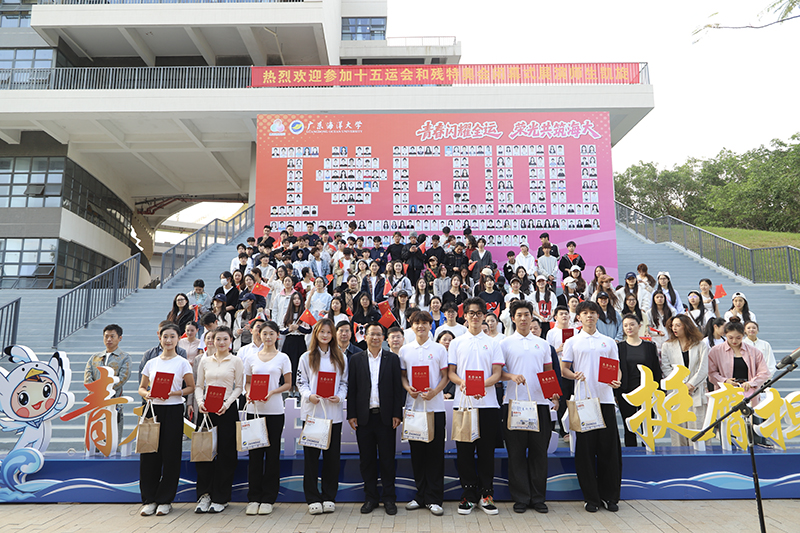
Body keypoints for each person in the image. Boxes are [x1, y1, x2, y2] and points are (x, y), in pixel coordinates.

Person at [560, 300, 622, 513]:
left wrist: (617, 380)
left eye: (593, 312)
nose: (589, 316)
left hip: (605, 400)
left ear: (598, 316)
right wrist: (574, 375)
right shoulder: (573, 342)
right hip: (583, 400)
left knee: (609, 450)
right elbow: (564, 369)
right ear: (578, 317)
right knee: (585, 451)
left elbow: (617, 369)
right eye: (585, 313)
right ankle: (591, 498)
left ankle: (610, 496)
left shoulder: (609, 342)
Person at [501, 300, 559, 514]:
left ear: (532, 317)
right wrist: (511, 376)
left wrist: (553, 395)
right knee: (516, 453)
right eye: (519, 315)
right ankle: (521, 498)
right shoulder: (505, 344)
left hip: (540, 404)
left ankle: (538, 498)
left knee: (539, 453)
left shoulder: (542, 344)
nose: (523, 318)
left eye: (527, 314)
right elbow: (498, 373)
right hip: (514, 404)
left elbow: (548, 371)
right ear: (513, 318)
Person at [447, 297, 504, 516]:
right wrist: (463, 383)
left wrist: (480, 386)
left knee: (486, 451)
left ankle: (486, 495)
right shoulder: (457, 342)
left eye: (479, 313)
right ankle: (469, 495)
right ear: (466, 316)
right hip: (463, 404)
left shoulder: (493, 343)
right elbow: (451, 373)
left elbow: (497, 374)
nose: (475, 317)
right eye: (471, 313)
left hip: (488, 404)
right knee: (465, 452)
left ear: (484, 316)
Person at [137, 322, 194, 517]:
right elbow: (141, 388)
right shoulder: (151, 362)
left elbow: (190, 387)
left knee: (171, 455)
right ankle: (149, 499)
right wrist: (147, 394)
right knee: (149, 454)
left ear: (178, 339)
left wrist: (173, 393)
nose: (168, 340)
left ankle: (165, 500)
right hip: (153, 410)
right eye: (165, 336)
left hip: (173, 410)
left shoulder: (182, 362)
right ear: (159, 338)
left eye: (172, 336)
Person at [347, 323, 403, 515]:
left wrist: (397, 414)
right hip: (364, 418)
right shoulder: (356, 359)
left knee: (387, 460)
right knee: (367, 460)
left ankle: (389, 499)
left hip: (386, 418)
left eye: (379, 334)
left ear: (384, 338)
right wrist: (351, 414)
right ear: (365, 337)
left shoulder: (392, 359)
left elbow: (397, 389)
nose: (376, 337)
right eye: (372, 334)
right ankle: (370, 498)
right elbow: (352, 389)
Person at [398, 310, 449, 516]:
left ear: (430, 325)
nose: (420, 326)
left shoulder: (439, 349)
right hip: (413, 409)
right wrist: (407, 388)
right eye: (416, 323)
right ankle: (420, 496)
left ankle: (434, 498)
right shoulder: (405, 350)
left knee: (435, 454)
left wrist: (435, 392)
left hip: (435, 408)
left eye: (424, 323)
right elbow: (403, 376)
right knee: (417, 454)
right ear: (412, 326)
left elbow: (445, 376)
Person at [298, 319, 348, 515]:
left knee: (332, 458)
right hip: (312, 412)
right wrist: (309, 395)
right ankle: (312, 497)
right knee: (311, 458)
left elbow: (344, 383)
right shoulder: (306, 357)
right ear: (316, 334)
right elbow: (301, 382)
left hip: (333, 414)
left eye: (329, 332)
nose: (325, 335)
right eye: (322, 332)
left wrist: (340, 397)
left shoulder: (340, 357)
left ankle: (329, 496)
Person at [194, 326, 244, 514]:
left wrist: (228, 403)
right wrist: (200, 402)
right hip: (206, 410)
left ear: (231, 340)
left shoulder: (236, 361)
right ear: (212, 341)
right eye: (218, 339)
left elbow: (239, 387)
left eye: (225, 339)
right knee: (204, 452)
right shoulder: (205, 360)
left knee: (226, 454)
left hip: (227, 410)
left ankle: (221, 497)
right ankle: (204, 495)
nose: (221, 342)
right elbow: (199, 386)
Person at [243, 321, 291, 516]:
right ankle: (254, 497)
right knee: (255, 455)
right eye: (265, 333)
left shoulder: (283, 357)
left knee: (272, 455)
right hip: (254, 410)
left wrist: (272, 392)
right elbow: (247, 382)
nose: (268, 337)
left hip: (274, 410)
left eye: (272, 333)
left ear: (277, 335)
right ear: (259, 335)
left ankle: (269, 498)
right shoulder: (251, 358)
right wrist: (248, 393)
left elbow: (288, 384)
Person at [660, 315, 709, 448]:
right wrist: (681, 386)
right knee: (678, 431)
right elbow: (666, 367)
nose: (674, 328)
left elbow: (703, 369)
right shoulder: (667, 345)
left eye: (678, 325)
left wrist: (690, 384)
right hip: (676, 393)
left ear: (686, 326)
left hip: (695, 391)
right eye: (672, 326)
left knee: (697, 429)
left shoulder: (700, 345)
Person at [616, 314, 662, 447]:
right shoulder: (619, 347)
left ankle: (648, 451)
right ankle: (631, 453)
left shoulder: (649, 346)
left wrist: (659, 390)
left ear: (639, 326)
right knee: (629, 427)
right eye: (625, 325)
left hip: (647, 392)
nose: (629, 328)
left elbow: (656, 369)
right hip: (626, 392)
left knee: (647, 425)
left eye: (632, 324)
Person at [85, 324, 131, 444]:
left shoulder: (124, 358)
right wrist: (94, 391)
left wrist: (105, 391)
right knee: (93, 435)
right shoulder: (95, 357)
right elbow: (88, 375)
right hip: (94, 401)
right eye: (106, 336)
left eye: (112, 336)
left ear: (120, 338)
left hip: (113, 400)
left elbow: (122, 378)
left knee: (112, 436)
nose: (109, 339)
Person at [708, 318, 770, 396]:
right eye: (730, 338)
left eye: (738, 338)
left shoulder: (754, 351)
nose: (734, 341)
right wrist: (725, 381)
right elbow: (711, 373)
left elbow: (764, 372)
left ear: (743, 335)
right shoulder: (716, 351)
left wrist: (751, 383)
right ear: (725, 335)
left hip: (748, 392)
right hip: (725, 393)